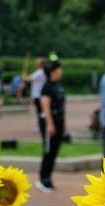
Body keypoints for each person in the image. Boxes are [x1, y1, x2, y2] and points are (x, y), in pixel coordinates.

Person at [37, 60, 66, 193]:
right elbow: (45, 106)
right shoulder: (46, 87)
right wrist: (50, 124)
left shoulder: (58, 86)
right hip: (50, 124)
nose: (61, 72)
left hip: (59, 122)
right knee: (48, 151)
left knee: (54, 151)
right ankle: (43, 179)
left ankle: (49, 177)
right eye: (60, 69)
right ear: (53, 71)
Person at [27, 57, 47, 138]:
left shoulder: (39, 72)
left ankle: (41, 125)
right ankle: (41, 124)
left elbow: (29, 78)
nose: (35, 63)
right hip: (39, 94)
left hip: (37, 95)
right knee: (41, 111)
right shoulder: (43, 72)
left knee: (40, 111)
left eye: (37, 62)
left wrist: (24, 77)